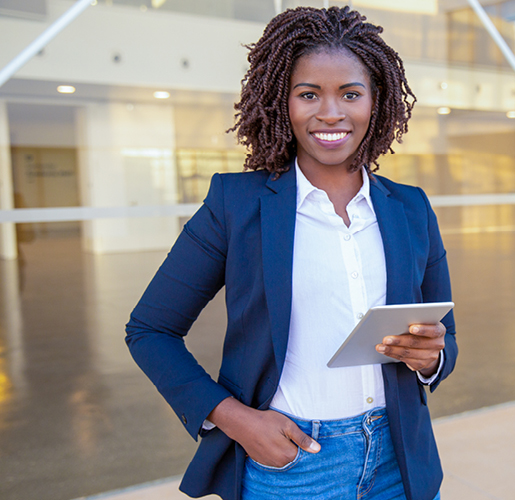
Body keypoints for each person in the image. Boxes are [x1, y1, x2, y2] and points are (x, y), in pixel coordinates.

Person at [126, 6, 457, 500]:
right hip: (293, 465)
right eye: (308, 94)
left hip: (398, 460)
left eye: (350, 93)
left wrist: (431, 358)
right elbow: (150, 330)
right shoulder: (235, 205)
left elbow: (445, 343)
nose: (330, 112)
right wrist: (234, 420)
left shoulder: (410, 207)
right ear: (282, 103)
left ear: (375, 100)